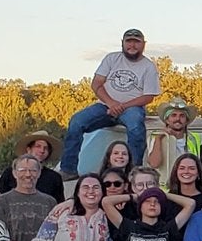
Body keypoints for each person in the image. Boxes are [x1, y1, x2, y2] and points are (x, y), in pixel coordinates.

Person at [60, 29, 159, 177]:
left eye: (136, 42)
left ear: (143, 45)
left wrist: (122, 106)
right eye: (129, 41)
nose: (132, 45)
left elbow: (148, 96)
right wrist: (111, 103)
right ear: (122, 43)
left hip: (132, 108)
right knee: (76, 121)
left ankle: (133, 172)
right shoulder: (111, 59)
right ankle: (68, 170)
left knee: (136, 128)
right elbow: (96, 84)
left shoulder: (148, 66)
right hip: (105, 105)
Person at [0, 131, 65, 202]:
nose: (42, 150)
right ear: (29, 149)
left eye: (45, 148)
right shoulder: (9, 173)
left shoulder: (54, 178)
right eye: (38, 146)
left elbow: (59, 205)